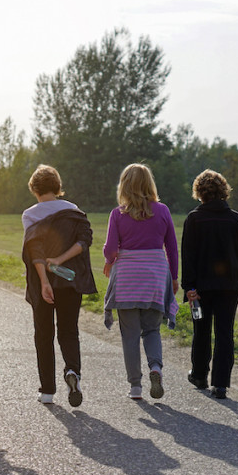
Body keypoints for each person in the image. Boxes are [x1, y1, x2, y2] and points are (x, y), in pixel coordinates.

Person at [21, 165, 97, 407]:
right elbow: (85, 241)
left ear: (34, 189)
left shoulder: (30, 215)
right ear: (58, 187)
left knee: (44, 335)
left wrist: (44, 281)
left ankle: (47, 391)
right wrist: (61, 260)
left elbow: (36, 250)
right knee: (69, 331)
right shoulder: (75, 212)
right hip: (70, 279)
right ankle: (73, 371)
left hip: (42, 282)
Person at [102, 163, 179, 401]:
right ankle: (155, 368)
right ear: (149, 184)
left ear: (124, 185)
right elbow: (173, 249)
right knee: (152, 329)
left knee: (130, 335)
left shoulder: (118, 214)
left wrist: (108, 259)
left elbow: (110, 250)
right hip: (154, 277)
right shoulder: (163, 211)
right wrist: (174, 278)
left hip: (127, 280)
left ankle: (135, 386)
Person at [181, 169, 238, 400]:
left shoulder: (193, 219)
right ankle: (221, 384)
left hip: (201, 288)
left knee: (201, 331)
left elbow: (188, 256)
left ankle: (200, 375)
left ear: (199, 192)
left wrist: (188, 287)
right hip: (229, 287)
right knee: (225, 333)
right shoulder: (235, 219)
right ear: (224, 190)